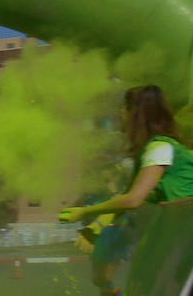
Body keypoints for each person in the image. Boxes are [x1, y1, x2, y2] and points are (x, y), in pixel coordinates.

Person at [60, 84, 193, 224]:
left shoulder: (160, 148)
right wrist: (95, 229)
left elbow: (133, 200)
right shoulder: (156, 148)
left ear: (135, 114)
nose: (120, 114)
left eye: (124, 108)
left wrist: (84, 211)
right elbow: (128, 200)